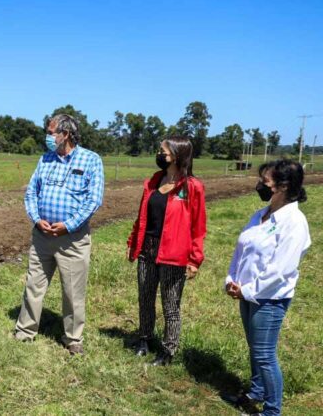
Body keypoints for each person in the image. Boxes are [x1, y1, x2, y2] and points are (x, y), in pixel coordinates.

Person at [223, 159, 310, 416]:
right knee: (255, 347)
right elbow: (242, 248)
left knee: (264, 355)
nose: (260, 185)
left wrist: (248, 290)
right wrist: (231, 279)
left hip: (269, 299)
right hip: (245, 292)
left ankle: (272, 411)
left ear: (283, 186)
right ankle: (257, 391)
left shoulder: (294, 222)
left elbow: (281, 268)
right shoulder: (261, 214)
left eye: (265, 181)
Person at [14, 114, 104, 355]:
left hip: (72, 239)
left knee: (73, 291)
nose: (47, 136)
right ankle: (25, 331)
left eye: (51, 132)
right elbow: (31, 193)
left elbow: (94, 200)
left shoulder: (91, 160)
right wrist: (36, 219)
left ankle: (73, 338)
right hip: (42, 236)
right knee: (34, 284)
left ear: (65, 134)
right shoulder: (45, 159)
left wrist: (69, 225)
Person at [126, 136, 206, 366]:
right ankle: (144, 339)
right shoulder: (154, 181)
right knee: (145, 298)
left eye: (164, 152)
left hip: (174, 253)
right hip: (148, 249)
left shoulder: (192, 187)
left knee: (170, 306)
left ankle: (168, 350)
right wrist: (133, 242)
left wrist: (195, 259)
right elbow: (142, 216)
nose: (159, 155)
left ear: (178, 155)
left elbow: (198, 226)